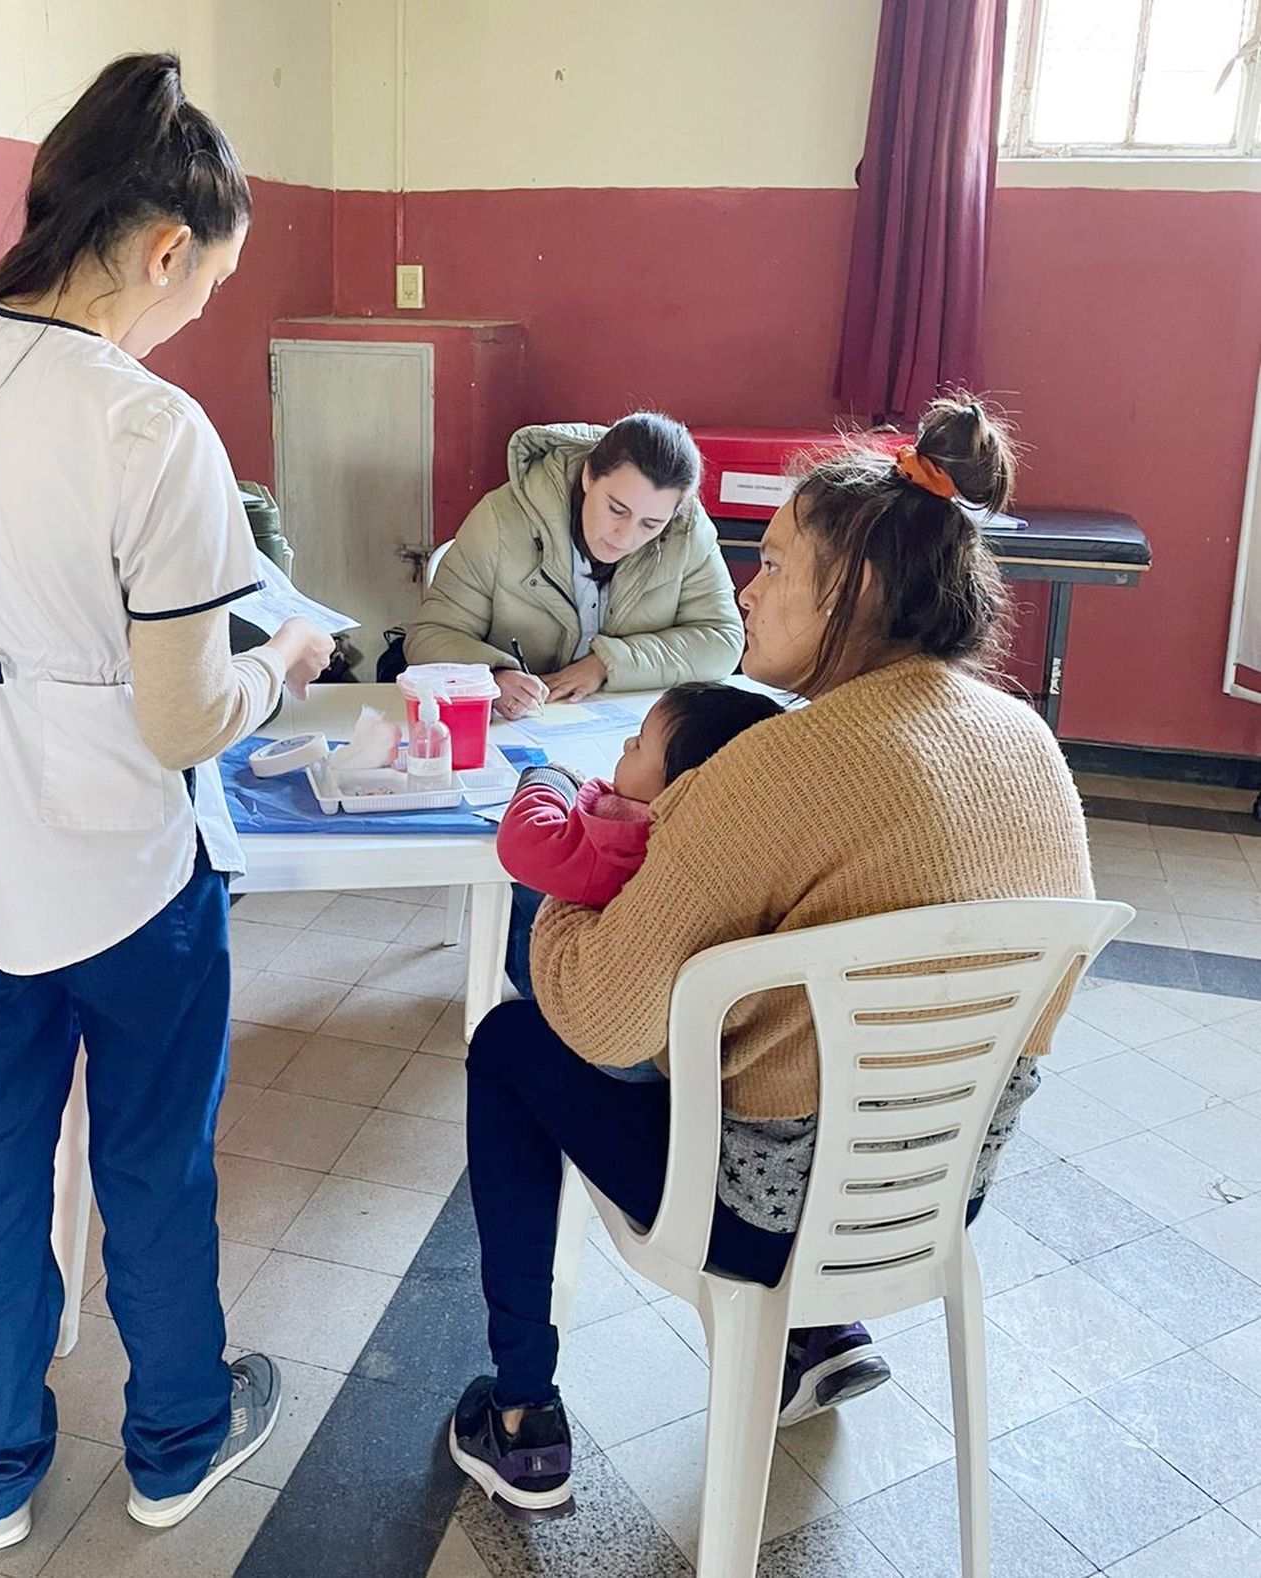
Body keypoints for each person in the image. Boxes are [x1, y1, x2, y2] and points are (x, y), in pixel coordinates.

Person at [447, 395, 1094, 1523]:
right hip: (940, 1192)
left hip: (763, 1211)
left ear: (852, 589)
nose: (749, 586)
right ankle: (811, 1337)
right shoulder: (1031, 743)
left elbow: (600, 1016)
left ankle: (519, 1412)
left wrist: (568, 895)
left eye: (777, 564)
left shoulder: (780, 767)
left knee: (512, 1037)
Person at [0, 54, 333, 1554]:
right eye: (212, 282)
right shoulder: (148, 429)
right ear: (166, 246)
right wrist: (290, 665)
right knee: (151, 1164)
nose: (199, 316)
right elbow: (187, 711)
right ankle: (176, 1440)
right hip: (125, 875)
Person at [495, 682, 786, 1082]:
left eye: (641, 745)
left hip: (632, 1048)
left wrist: (548, 779)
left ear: (678, 786)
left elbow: (525, 845)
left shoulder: (624, 836)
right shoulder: (747, 835)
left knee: (529, 893)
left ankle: (530, 992)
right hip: (700, 1027)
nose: (629, 743)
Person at [404, 414, 744, 719]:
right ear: (588, 476)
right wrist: (491, 678)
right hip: (513, 727)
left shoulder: (687, 531)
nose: (625, 537)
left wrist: (608, 663)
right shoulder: (499, 520)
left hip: (625, 735)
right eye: (616, 509)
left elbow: (723, 642)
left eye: (651, 523)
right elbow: (430, 636)